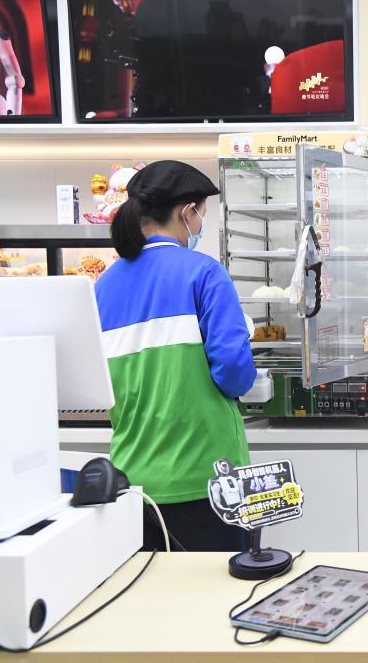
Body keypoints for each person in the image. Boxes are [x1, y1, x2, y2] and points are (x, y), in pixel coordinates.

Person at [95, 160, 256, 552]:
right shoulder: (204, 273)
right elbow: (235, 373)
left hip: (132, 482)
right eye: (201, 214)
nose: (200, 224)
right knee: (216, 587)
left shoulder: (102, 286)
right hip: (208, 478)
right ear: (186, 212)